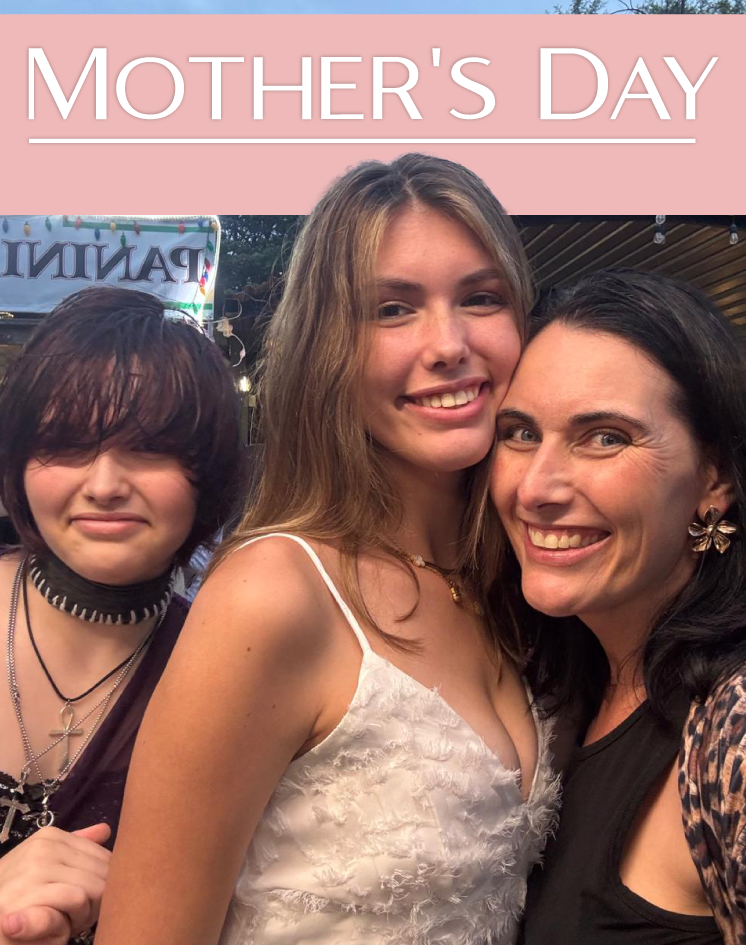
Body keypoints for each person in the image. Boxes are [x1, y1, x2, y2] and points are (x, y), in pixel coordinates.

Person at [95, 154, 560, 945]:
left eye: (480, 298)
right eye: (392, 310)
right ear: (328, 348)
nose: (448, 344)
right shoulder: (273, 593)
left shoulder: (514, 584)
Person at [490, 269, 746, 944]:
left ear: (714, 479)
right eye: (520, 433)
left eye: (604, 437)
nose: (535, 488)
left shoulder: (734, 724)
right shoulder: (563, 679)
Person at [0, 287, 243, 945]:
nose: (105, 485)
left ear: (210, 476)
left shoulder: (229, 675)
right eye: (67, 445)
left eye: (149, 448)